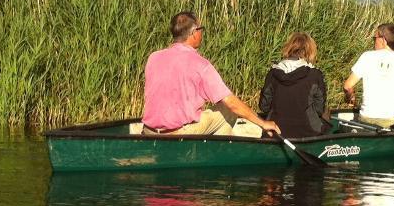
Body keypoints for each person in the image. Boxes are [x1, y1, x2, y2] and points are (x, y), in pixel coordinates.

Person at [141, 11, 280, 137]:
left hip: (149, 130)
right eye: (201, 29)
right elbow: (231, 103)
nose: (202, 33)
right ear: (194, 33)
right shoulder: (200, 64)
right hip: (178, 133)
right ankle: (216, 150)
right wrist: (262, 123)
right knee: (229, 110)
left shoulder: (153, 57)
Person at [342, 22, 394, 128]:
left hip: (367, 119)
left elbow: (347, 86)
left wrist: (351, 98)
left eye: (375, 38)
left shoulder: (366, 57)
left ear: (383, 40)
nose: (374, 41)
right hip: (392, 121)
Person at [258, 32, 330, 138]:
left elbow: (264, 107)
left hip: (275, 133)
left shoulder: (273, 73)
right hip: (308, 132)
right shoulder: (315, 75)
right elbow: (319, 109)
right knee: (327, 118)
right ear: (310, 51)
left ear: (289, 48)